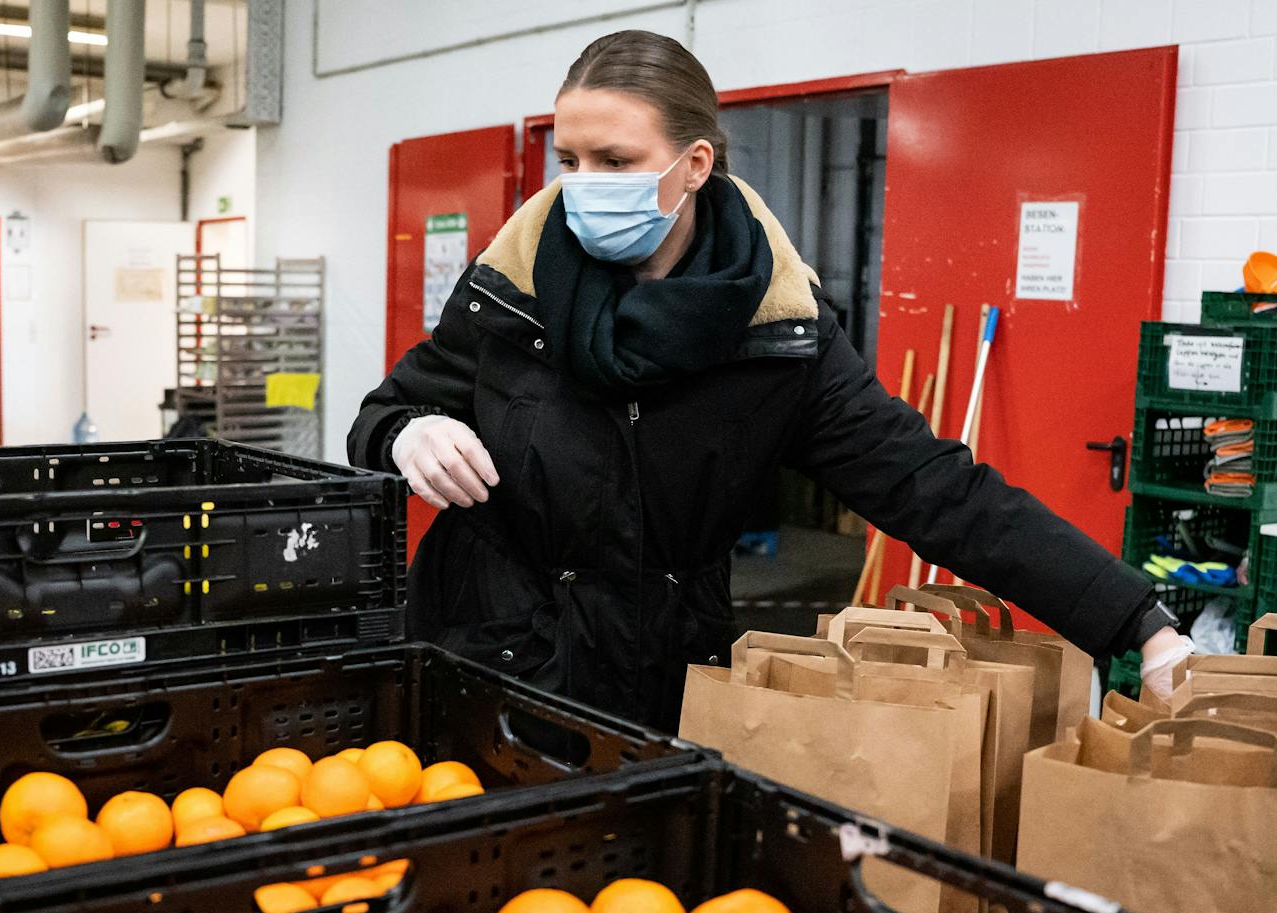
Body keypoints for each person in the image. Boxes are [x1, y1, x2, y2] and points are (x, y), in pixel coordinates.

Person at [349, 30, 1187, 731]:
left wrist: (1135, 622)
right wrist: (407, 432)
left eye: (616, 159)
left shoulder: (777, 336)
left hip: (659, 683)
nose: (584, 187)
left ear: (694, 165)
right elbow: (384, 413)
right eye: (569, 158)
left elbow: (938, 489)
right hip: (484, 663)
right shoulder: (512, 287)